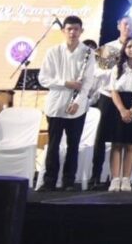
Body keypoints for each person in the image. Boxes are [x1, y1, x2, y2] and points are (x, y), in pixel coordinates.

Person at [37, 16, 95, 190]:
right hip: (56, 105)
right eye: (69, 29)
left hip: (77, 107)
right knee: (53, 144)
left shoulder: (88, 53)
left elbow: (88, 82)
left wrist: (78, 101)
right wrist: (66, 83)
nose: (72, 32)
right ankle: (49, 181)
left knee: (73, 145)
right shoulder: (53, 51)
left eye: (76, 29)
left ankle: (69, 181)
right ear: (63, 31)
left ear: (81, 31)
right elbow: (43, 78)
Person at [88, 15, 132, 189]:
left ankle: (118, 177)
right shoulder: (108, 47)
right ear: (118, 26)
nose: (128, 27)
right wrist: (114, 69)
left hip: (126, 97)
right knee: (101, 136)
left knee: (124, 139)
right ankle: (96, 175)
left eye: (131, 25)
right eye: (125, 24)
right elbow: (96, 72)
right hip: (108, 96)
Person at [101, 36, 132, 192]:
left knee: (130, 144)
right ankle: (115, 179)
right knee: (116, 144)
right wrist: (122, 110)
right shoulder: (117, 66)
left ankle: (126, 179)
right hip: (118, 105)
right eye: (129, 46)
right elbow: (113, 90)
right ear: (124, 49)